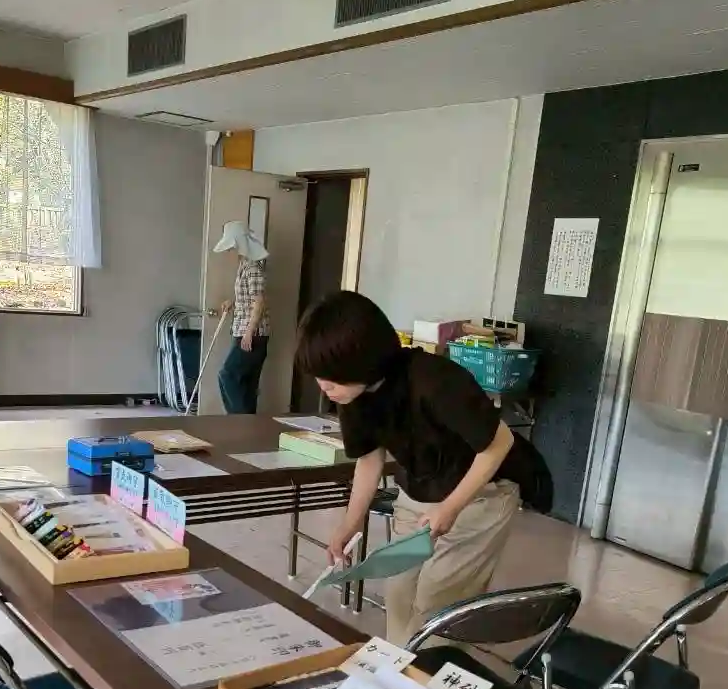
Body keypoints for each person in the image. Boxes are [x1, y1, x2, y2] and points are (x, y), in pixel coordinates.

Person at [295, 293, 545, 646]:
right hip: (419, 493)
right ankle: (399, 673)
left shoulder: (435, 380)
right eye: (319, 375)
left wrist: (451, 508)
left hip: (478, 495)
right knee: (399, 595)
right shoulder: (353, 395)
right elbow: (369, 458)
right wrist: (349, 524)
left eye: (332, 375)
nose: (324, 386)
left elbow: (499, 443)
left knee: (437, 606)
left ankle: (430, 673)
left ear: (364, 359)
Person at [214, 220, 270, 415]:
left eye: (231, 248)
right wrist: (234, 302)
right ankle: (246, 425)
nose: (229, 252)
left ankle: (238, 421)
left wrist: (249, 332)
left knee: (228, 376)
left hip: (252, 333)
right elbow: (249, 298)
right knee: (246, 384)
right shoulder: (243, 267)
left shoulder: (252, 269)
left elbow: (259, 301)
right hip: (247, 331)